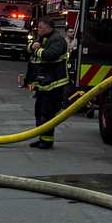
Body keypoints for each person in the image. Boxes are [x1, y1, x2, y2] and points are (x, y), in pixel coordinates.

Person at [26, 17, 69, 149]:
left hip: (54, 83)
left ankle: (47, 141)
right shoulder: (42, 38)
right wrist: (32, 47)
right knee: (39, 112)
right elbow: (31, 49)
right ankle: (41, 138)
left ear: (48, 27)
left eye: (40, 28)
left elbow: (50, 55)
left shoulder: (58, 40)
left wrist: (37, 50)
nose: (38, 30)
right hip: (43, 83)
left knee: (47, 113)